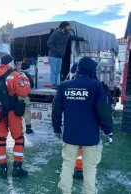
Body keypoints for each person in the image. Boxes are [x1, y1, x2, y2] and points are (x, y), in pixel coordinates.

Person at [52, 56, 113, 194]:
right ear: (91, 69)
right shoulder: (96, 86)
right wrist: (108, 130)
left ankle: (65, 191)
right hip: (90, 136)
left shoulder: (65, 85)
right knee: (90, 168)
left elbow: (56, 108)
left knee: (67, 165)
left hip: (70, 134)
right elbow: (104, 111)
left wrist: (56, 127)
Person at [0, 54, 31, 179]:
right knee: (19, 139)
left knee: (1, 140)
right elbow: (24, 92)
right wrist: (25, 80)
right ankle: (17, 169)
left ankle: (3, 169)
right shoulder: (15, 75)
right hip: (12, 112)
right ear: (11, 63)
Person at [47, 21, 88, 89]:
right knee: (53, 70)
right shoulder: (56, 33)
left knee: (58, 71)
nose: (69, 28)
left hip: (60, 56)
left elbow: (74, 37)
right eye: (68, 26)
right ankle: (53, 84)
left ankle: (57, 84)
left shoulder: (67, 34)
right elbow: (49, 43)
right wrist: (56, 51)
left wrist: (83, 39)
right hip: (53, 55)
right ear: (64, 27)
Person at [19, 62, 35, 134]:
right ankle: (28, 128)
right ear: (27, 68)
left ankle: (17, 128)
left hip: (18, 96)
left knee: (18, 112)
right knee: (27, 112)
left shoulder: (17, 74)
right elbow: (32, 84)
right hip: (25, 96)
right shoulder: (28, 75)